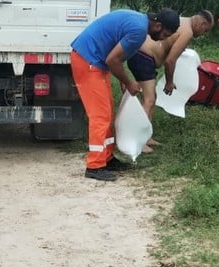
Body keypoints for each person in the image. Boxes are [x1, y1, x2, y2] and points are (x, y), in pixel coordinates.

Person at [70, 8, 180, 181]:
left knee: (107, 113)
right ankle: (94, 166)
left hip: (96, 61)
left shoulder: (139, 23)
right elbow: (112, 60)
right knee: (100, 116)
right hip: (88, 60)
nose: (164, 39)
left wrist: (122, 77)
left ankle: (107, 158)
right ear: (158, 25)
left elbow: (117, 53)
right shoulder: (138, 30)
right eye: (166, 34)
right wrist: (128, 82)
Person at [127, 10, 214, 152]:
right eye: (205, 30)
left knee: (151, 99)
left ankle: (146, 136)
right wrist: (169, 82)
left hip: (140, 55)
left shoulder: (183, 21)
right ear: (202, 23)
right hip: (143, 58)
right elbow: (170, 61)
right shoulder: (188, 32)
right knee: (149, 100)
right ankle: (138, 140)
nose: (202, 34)